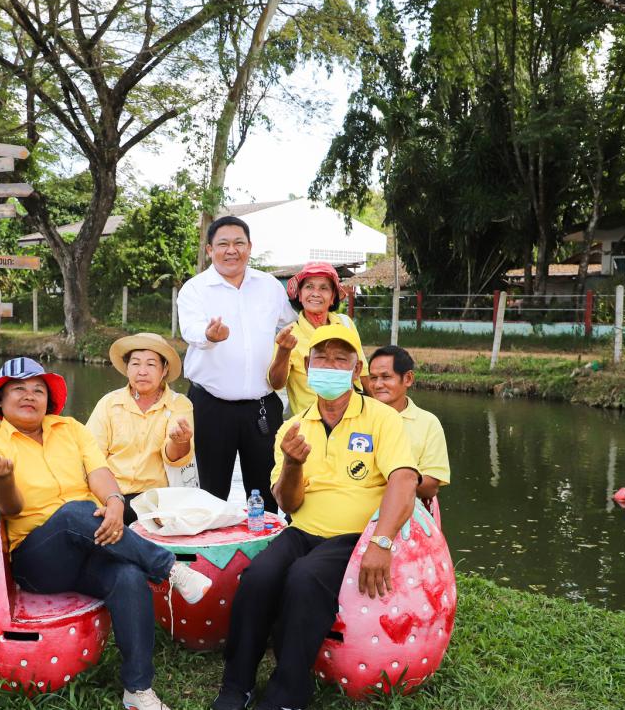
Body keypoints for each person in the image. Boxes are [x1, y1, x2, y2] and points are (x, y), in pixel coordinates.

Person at [0, 357, 212, 710]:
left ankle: (138, 688)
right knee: (74, 513)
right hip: (37, 559)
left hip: (90, 539)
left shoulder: (70, 429)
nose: (30, 396)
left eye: (38, 389)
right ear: (0, 401)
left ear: (48, 399)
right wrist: (3, 479)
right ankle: (169, 568)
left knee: (128, 577)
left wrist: (115, 503)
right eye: (18, 389)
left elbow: (99, 472)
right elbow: (9, 508)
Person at [211, 324, 419, 710]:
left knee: (305, 578)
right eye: (322, 358)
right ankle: (237, 683)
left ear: (356, 370)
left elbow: (404, 479)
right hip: (303, 530)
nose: (330, 366)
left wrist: (381, 541)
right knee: (257, 577)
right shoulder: (294, 427)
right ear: (307, 366)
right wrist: (292, 463)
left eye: (341, 359)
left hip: (353, 536)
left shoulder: (381, 418)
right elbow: (288, 503)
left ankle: (289, 695)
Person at [177, 216, 296, 512]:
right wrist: (209, 335)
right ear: (209, 250)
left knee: (266, 491)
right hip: (210, 405)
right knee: (210, 492)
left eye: (239, 243)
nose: (232, 250)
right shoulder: (195, 288)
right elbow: (190, 330)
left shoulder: (269, 286)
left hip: (262, 406)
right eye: (223, 244)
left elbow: (294, 322)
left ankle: (266, 540)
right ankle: (210, 540)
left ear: (249, 247)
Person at [86, 333, 194, 524]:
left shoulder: (179, 404)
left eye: (151, 364)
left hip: (155, 501)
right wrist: (110, 500)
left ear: (164, 370)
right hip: (109, 496)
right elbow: (91, 457)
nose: (142, 371)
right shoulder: (109, 403)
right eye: (135, 364)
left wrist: (180, 441)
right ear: (127, 368)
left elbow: (175, 458)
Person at [267, 262, 361, 415]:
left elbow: (363, 374)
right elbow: (276, 383)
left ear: (333, 297)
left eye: (324, 288)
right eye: (309, 287)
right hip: (308, 421)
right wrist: (284, 351)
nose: (315, 293)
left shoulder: (346, 324)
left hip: (352, 418)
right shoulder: (289, 334)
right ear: (300, 295)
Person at [365, 345, 450, 504]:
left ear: (408, 379)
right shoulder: (356, 415)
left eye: (386, 377)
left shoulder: (428, 423)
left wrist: (400, 478)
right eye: (373, 378)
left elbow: (431, 486)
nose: (377, 385)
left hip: (404, 506)